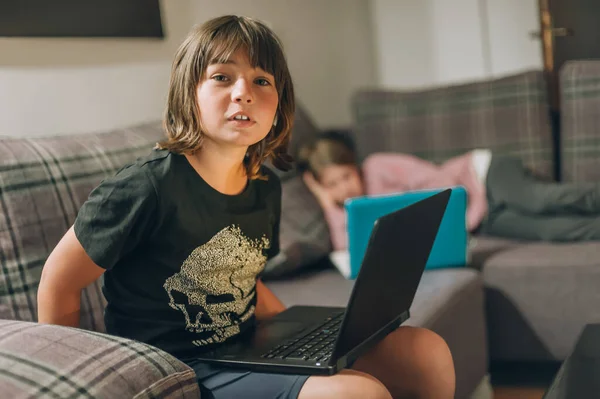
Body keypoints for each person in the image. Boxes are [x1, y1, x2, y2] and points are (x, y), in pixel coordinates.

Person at [37, 16, 455, 399]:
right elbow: (58, 283)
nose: (244, 93)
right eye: (222, 77)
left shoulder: (264, 187)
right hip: (183, 365)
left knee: (425, 350)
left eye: (261, 81)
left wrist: (303, 330)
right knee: (356, 394)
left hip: (248, 345)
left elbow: (244, 276)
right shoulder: (144, 188)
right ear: (189, 94)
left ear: (278, 106)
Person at [299, 130, 600, 251]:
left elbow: (438, 181)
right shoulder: (348, 209)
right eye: (332, 186)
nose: (344, 188)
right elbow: (345, 248)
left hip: (483, 175)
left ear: (354, 166)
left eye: (345, 176)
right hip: (479, 220)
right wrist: (327, 203)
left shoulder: (378, 167)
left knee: (540, 200)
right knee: (551, 231)